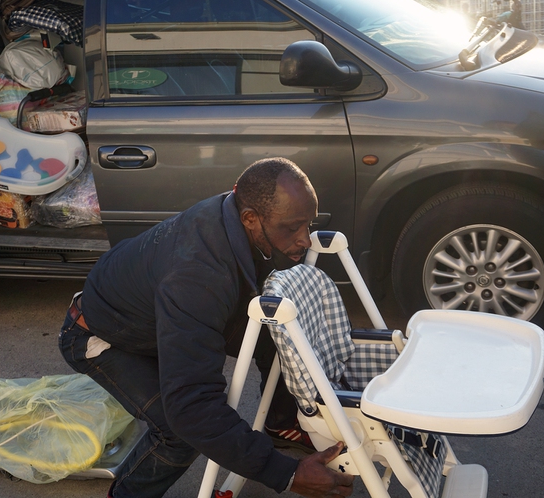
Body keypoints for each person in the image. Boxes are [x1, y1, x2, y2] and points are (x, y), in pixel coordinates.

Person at [58, 158, 355, 498]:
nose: (305, 239)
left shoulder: (237, 212)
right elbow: (192, 406)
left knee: (280, 336)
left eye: (308, 224)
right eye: (292, 228)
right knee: (180, 429)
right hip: (102, 335)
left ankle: (280, 423)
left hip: (156, 312)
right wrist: (286, 474)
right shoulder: (198, 277)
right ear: (250, 219)